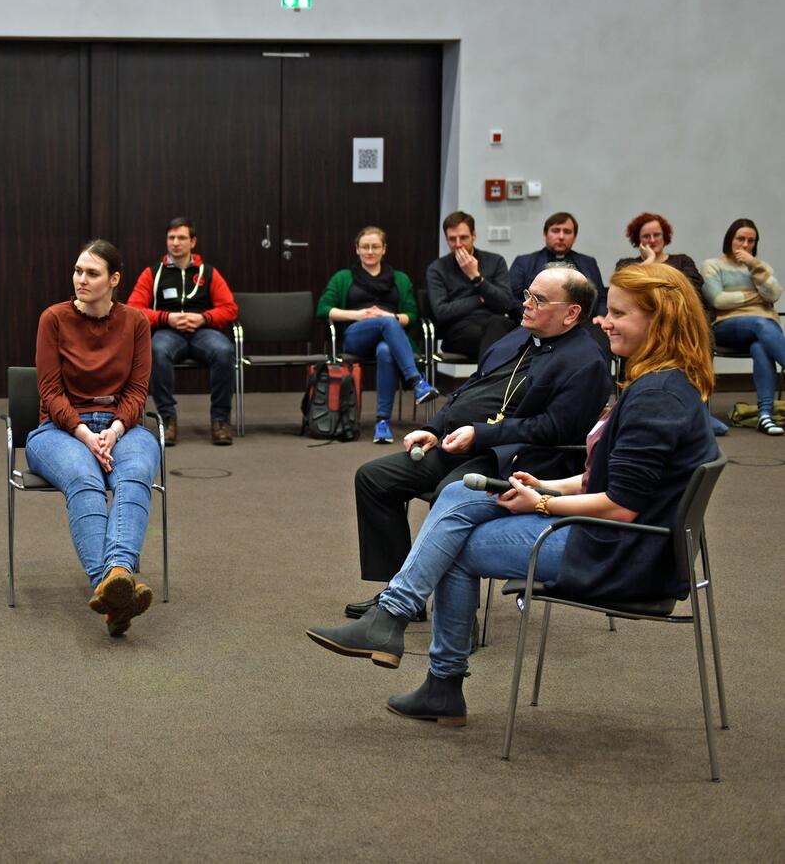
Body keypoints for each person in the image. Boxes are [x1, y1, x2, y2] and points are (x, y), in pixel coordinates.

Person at [308, 263, 718, 726]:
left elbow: (620, 505)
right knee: (459, 497)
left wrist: (541, 502)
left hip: (617, 550)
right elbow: (599, 481)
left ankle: (425, 659)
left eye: (618, 314)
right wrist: (546, 487)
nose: (604, 322)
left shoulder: (654, 395)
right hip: (616, 534)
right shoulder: (662, 384)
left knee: (454, 544)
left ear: (658, 321)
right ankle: (401, 628)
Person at [343, 267, 612, 620]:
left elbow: (553, 430)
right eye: (527, 295)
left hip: (518, 461)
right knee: (374, 478)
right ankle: (399, 588)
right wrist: (435, 428)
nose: (526, 305)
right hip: (464, 444)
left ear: (572, 313)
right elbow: (471, 388)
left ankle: (457, 617)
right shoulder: (517, 335)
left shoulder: (586, 361)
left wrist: (481, 435)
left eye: (539, 299)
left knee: (448, 493)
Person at [26, 239, 160, 636]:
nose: (81, 279)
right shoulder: (53, 318)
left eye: (92, 273)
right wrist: (87, 435)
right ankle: (114, 581)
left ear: (114, 280)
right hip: (58, 429)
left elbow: (138, 391)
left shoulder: (136, 322)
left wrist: (115, 430)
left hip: (124, 426)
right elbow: (49, 393)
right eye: (78, 271)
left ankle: (116, 578)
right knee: (84, 480)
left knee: (134, 476)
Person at [317, 226, 440, 444]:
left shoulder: (400, 279)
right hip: (356, 336)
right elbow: (324, 309)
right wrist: (359, 315)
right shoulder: (343, 278)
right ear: (357, 250)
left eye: (375, 246)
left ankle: (382, 422)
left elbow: (411, 315)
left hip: (391, 340)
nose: (370, 251)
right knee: (386, 322)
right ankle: (415, 381)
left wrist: (388, 316)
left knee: (385, 350)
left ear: (384, 249)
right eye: (365, 246)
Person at [127, 216, 238, 446]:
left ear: (193, 242)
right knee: (157, 350)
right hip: (168, 331)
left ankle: (220, 420)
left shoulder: (208, 272)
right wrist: (167, 317)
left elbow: (230, 309)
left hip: (202, 331)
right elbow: (133, 310)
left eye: (181, 238)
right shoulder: (154, 272)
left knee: (224, 350)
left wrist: (203, 317)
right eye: (171, 238)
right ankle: (167, 418)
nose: (176, 242)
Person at [616, 212, 728, 437]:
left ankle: (698, 414)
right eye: (645, 236)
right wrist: (648, 263)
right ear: (637, 240)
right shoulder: (628, 264)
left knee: (698, 331)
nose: (651, 240)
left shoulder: (683, 261)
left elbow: (690, 291)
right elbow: (627, 292)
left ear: (665, 236)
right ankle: (635, 411)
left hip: (680, 325)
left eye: (656, 235)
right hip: (643, 328)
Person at [702, 218, 785, 436]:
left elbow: (775, 294)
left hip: (762, 329)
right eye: (740, 239)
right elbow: (718, 300)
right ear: (730, 239)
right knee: (762, 323)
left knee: (760, 345)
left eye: (751, 240)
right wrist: (756, 298)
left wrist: (754, 265)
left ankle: (765, 415)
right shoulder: (713, 265)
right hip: (726, 328)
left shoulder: (759, 267)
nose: (745, 244)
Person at [425, 211, 515, 360]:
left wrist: (476, 278)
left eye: (464, 238)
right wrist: (479, 299)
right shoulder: (437, 268)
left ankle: (482, 381)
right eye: (452, 239)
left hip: (494, 324)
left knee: (498, 324)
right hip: (459, 331)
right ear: (446, 240)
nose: (458, 244)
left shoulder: (495, 261)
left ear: (474, 236)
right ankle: (488, 381)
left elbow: (505, 304)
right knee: (497, 341)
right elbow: (442, 312)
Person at [509, 211, 607, 318]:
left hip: (583, 323)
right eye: (555, 231)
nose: (561, 236)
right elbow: (512, 299)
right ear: (545, 234)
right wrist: (534, 315)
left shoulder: (588, 262)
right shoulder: (524, 262)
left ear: (575, 237)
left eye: (567, 232)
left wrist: (601, 316)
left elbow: (601, 298)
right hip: (533, 321)